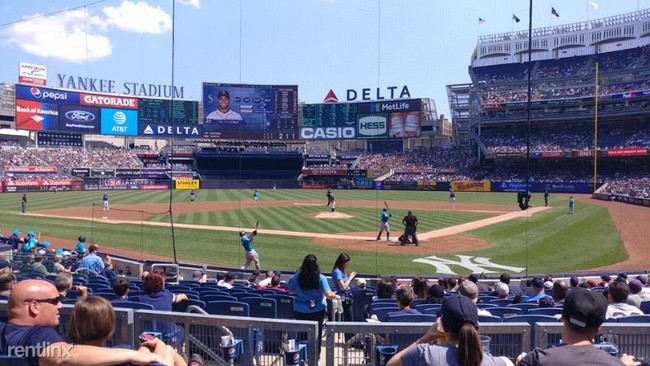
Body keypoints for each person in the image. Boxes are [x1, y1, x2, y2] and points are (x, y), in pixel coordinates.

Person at [2, 279, 166, 365]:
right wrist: (134, 354)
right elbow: (61, 356)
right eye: (54, 301)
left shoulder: (4, 331)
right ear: (34, 306)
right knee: (166, 350)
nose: (60, 305)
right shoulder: (38, 334)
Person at [516, 288, 639, 366]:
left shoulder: (535, 360)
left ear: (562, 318)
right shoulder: (614, 363)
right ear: (597, 329)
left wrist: (520, 363)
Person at [387, 295, 514, 366]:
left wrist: (427, 337)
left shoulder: (424, 354)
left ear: (442, 325)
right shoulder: (500, 362)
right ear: (476, 327)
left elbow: (391, 364)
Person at [68, 295, 188, 366]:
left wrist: (143, 350)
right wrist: (159, 344)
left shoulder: (61, 354)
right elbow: (158, 363)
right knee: (168, 349)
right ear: (110, 327)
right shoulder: (123, 356)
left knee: (157, 349)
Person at [288, 254, 340, 359]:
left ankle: (302, 357)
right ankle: (315, 357)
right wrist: (337, 296)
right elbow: (329, 294)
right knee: (317, 335)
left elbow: (290, 291)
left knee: (302, 335)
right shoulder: (320, 278)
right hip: (317, 311)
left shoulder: (296, 277)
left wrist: (301, 294)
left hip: (300, 310)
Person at [331, 253, 357, 326]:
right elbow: (342, 287)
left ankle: (349, 337)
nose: (347, 264)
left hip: (348, 297)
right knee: (349, 321)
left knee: (350, 320)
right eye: (346, 262)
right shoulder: (337, 272)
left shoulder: (341, 271)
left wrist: (350, 278)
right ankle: (349, 337)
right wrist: (350, 278)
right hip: (344, 299)